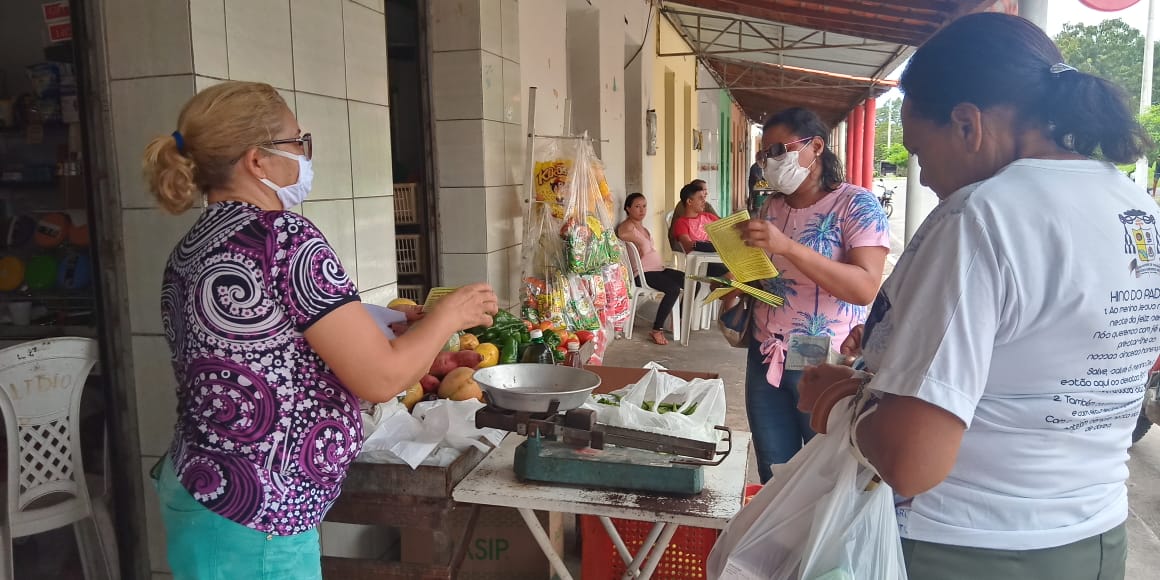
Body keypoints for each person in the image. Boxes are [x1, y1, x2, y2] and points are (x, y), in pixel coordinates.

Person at [795, 13, 1154, 579]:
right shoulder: (1138, 208)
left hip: (968, 546)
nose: (927, 175)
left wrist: (839, 396)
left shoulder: (980, 216)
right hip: (1097, 539)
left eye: (920, 151)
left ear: (967, 124)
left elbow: (913, 461)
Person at [141, 81, 498, 579]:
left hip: (207, 486)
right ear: (256, 161)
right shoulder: (283, 236)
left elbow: (259, 346)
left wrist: (374, 325)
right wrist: (450, 315)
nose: (305, 155)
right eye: (297, 142)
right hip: (258, 505)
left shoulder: (193, 246)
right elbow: (379, 379)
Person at [735, 107, 889, 482]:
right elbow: (771, 276)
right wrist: (736, 281)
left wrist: (787, 247)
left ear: (815, 146)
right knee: (775, 471)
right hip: (765, 351)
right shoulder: (771, 206)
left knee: (826, 476)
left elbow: (864, 288)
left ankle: (816, 543)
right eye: (763, 155)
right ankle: (780, 540)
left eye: (778, 151)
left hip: (825, 360)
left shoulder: (855, 204)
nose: (769, 163)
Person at [617, 193, 684, 345]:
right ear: (628, 208)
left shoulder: (643, 227)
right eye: (637, 206)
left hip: (658, 270)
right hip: (644, 274)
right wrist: (638, 242)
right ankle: (657, 329)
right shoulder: (628, 225)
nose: (642, 210)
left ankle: (678, 319)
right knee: (673, 289)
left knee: (692, 282)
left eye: (644, 206)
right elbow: (621, 233)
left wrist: (641, 242)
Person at [669, 180, 728, 278]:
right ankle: (715, 288)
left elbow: (726, 230)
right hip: (703, 263)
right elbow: (688, 245)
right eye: (700, 198)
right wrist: (712, 246)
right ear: (689, 201)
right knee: (733, 278)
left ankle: (716, 288)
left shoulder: (708, 217)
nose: (704, 200)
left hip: (720, 257)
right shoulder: (681, 223)